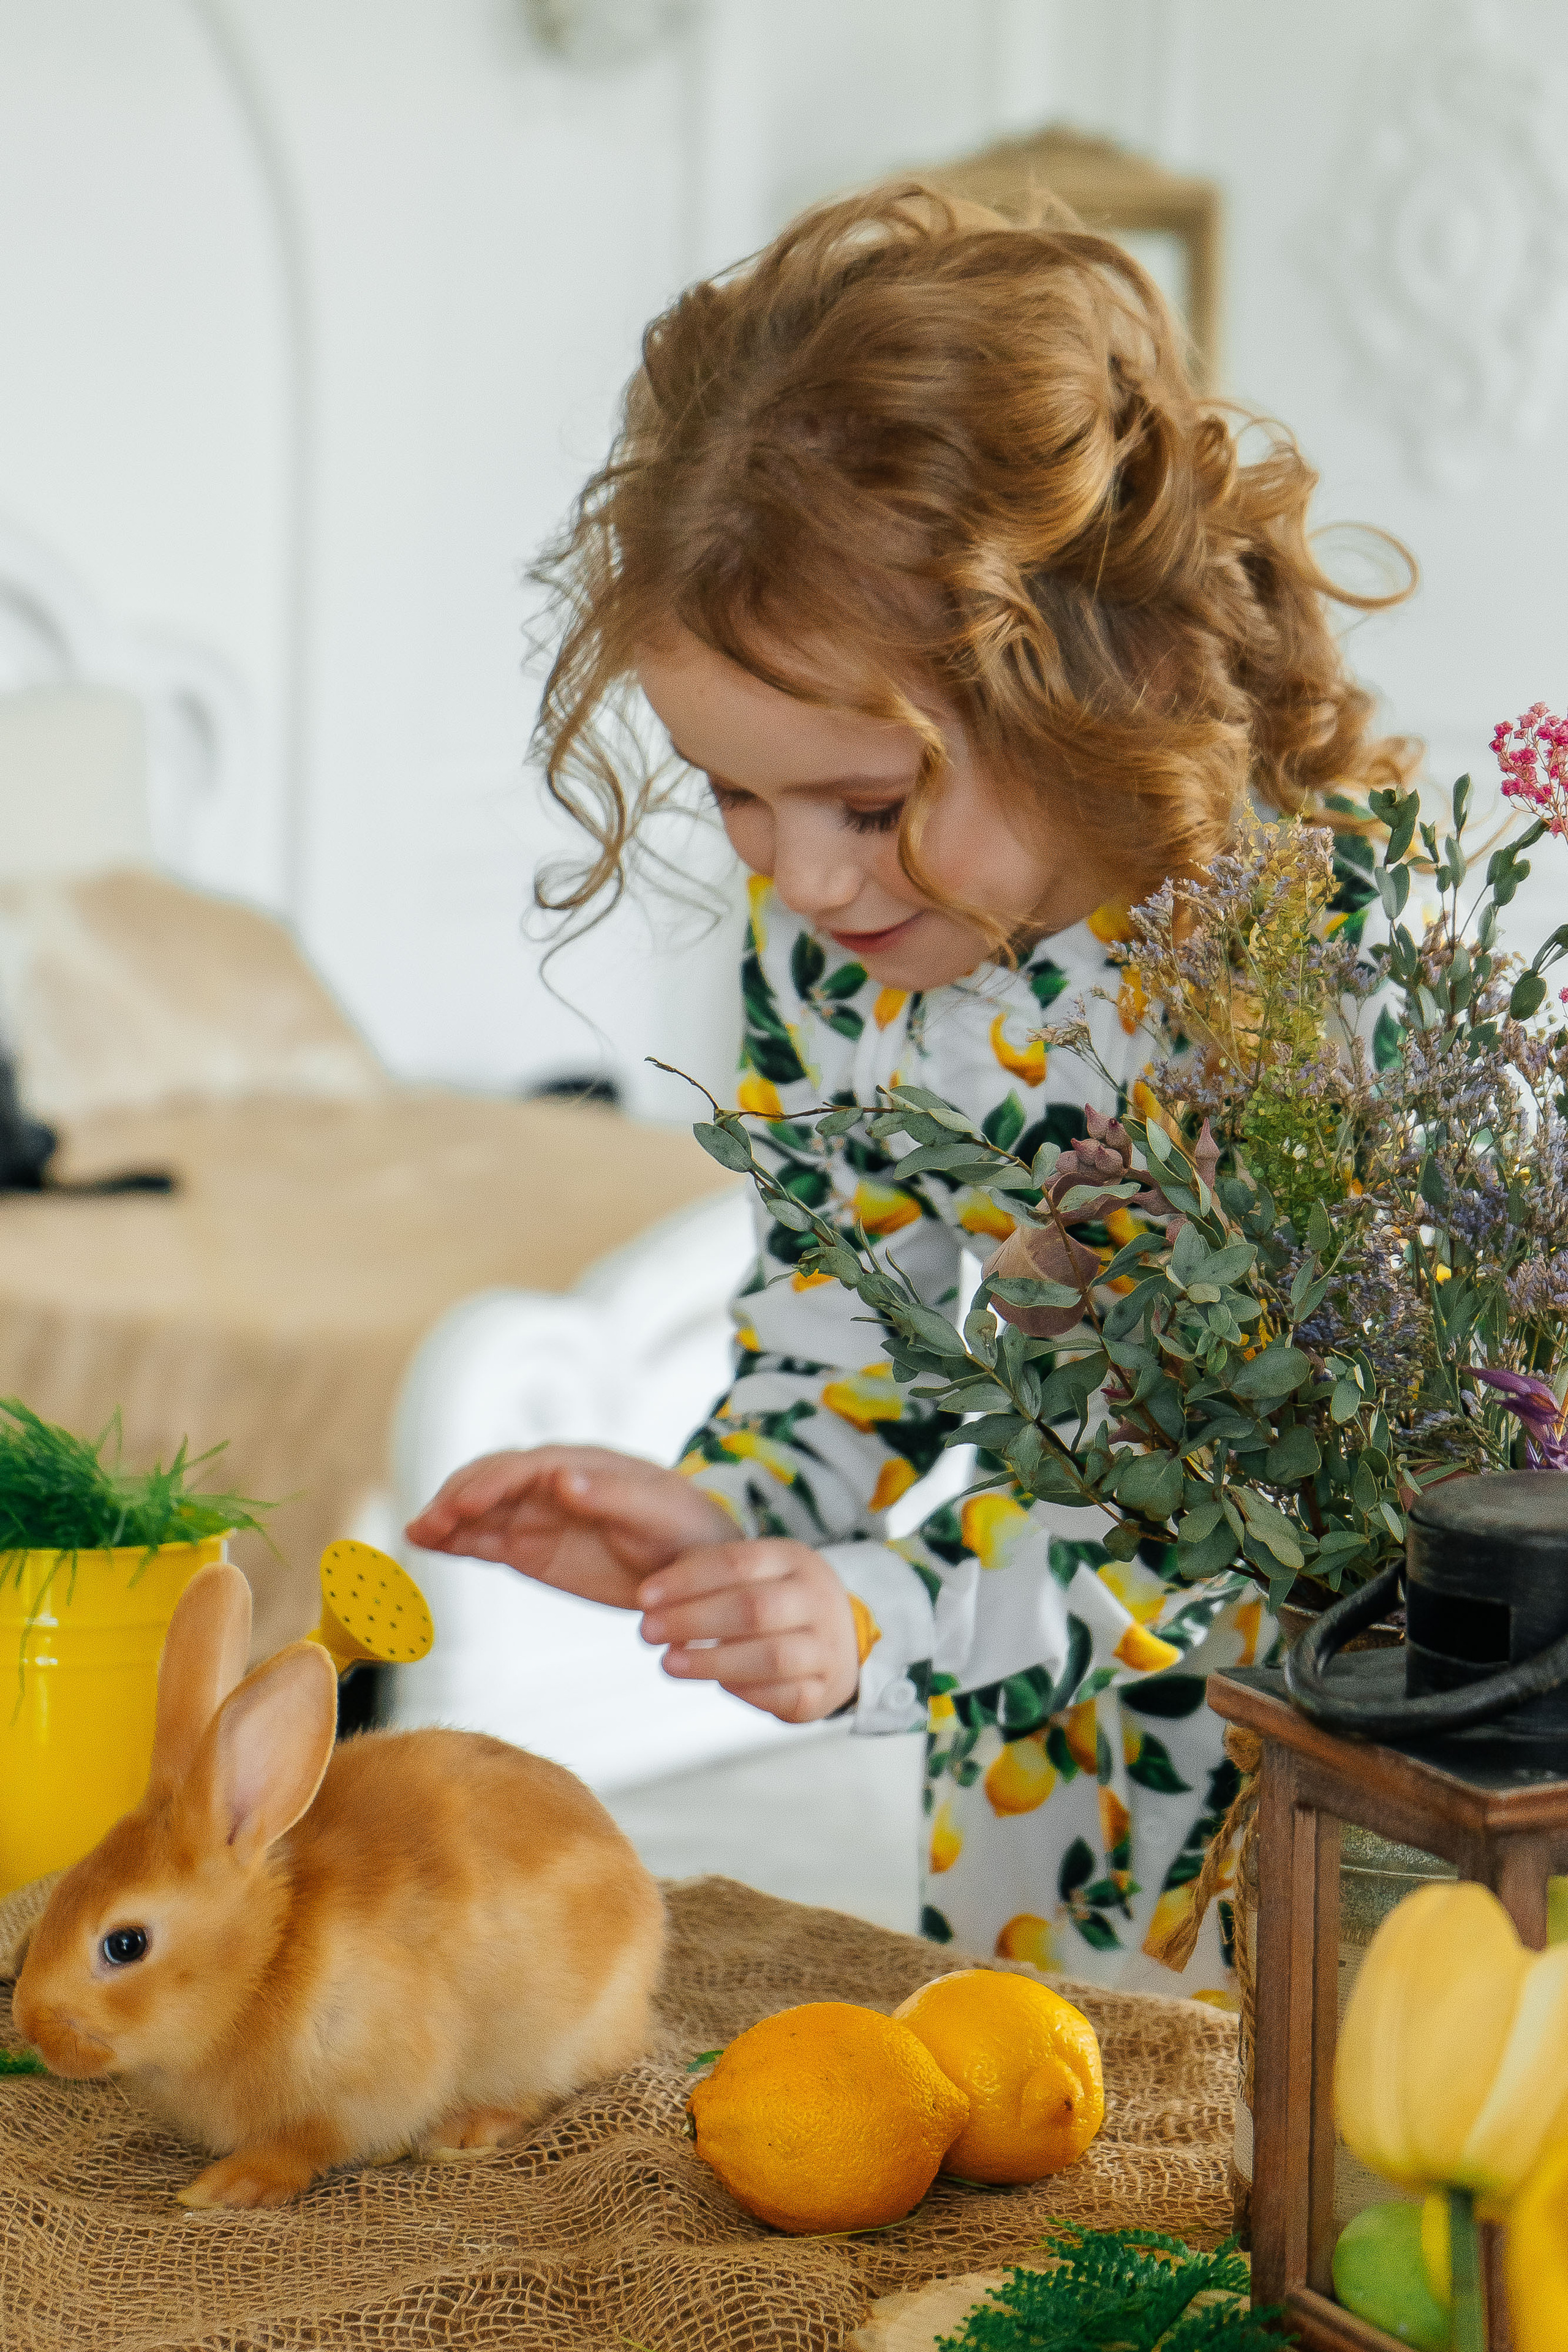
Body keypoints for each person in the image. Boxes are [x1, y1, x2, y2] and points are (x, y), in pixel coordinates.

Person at [407, 185, 1414, 1997]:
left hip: (1342, 1747)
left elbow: (1245, 1510)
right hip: (1039, 1779)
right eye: (733, 793)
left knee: (1322, 2135)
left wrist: (897, 1616)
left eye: (868, 806)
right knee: (1051, 2128)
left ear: (1103, 681)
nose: (801, 877)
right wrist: (738, 1522)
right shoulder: (838, 953)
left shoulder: (1286, 970)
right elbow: (841, 1321)